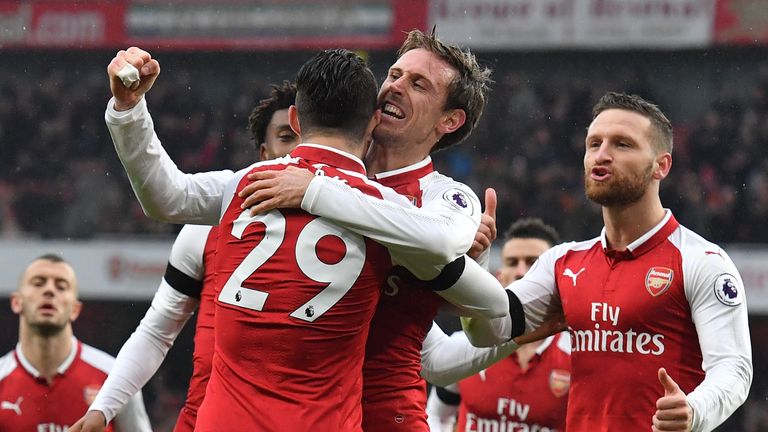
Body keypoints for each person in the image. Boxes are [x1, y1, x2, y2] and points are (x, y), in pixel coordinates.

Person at [101, 29, 514, 432]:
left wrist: (315, 193)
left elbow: (448, 345)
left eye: (419, 84)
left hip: (385, 414)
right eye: (394, 74)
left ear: (450, 120)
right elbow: (171, 198)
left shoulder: (446, 200)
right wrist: (129, 110)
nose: (395, 86)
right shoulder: (282, 178)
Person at [464, 92, 752, 431]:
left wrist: (695, 409)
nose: (601, 155)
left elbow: (734, 368)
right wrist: (472, 266)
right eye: (593, 143)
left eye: (622, 144)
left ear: (661, 165)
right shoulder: (563, 263)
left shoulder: (701, 262)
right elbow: (487, 332)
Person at [71, 83, 299, 432]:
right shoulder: (211, 225)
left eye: (305, 138)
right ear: (264, 153)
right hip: (207, 422)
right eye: (286, 137)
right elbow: (157, 331)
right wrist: (102, 408)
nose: (296, 151)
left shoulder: (353, 223)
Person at [426, 218, 571, 432]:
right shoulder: (463, 349)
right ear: (499, 277)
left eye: (533, 262)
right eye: (512, 263)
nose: (521, 271)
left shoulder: (576, 356)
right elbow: (437, 415)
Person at [0, 254, 152, 432]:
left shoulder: (115, 377)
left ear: (75, 309)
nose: (49, 291)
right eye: (38, 283)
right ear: (17, 302)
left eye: (61, 286)